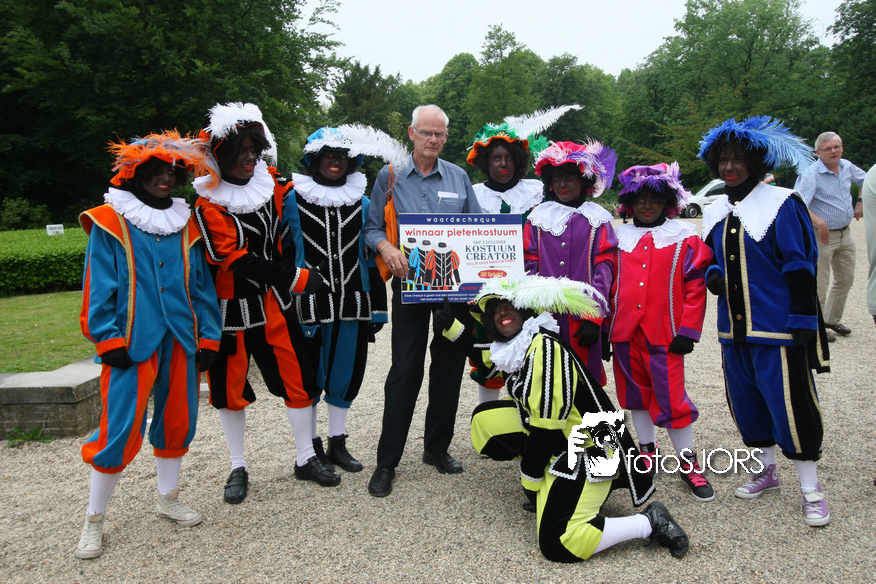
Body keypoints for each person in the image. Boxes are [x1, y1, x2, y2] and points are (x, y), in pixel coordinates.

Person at [437, 275, 689, 562]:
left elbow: (545, 429)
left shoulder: (544, 349)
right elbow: (485, 359)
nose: (502, 313)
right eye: (495, 310)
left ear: (525, 310)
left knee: (558, 542)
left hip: (593, 450)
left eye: (509, 306)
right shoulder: (519, 343)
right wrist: (450, 325)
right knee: (486, 420)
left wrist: (530, 480)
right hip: (564, 441)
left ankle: (649, 522)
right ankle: (551, 477)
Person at [75, 131, 222, 559]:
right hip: (130, 342)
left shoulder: (185, 222)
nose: (164, 179)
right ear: (135, 174)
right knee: (119, 428)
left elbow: (202, 287)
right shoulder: (110, 220)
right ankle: (94, 519)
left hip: (180, 339)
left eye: (171, 172)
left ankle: (168, 498)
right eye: (156, 171)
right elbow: (97, 285)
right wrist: (106, 338)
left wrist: (208, 335)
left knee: (177, 420)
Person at [193, 102, 335, 503]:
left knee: (299, 378)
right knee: (228, 388)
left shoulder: (271, 184)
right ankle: (237, 466)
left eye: (254, 150)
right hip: (231, 308)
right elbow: (234, 258)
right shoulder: (208, 204)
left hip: (275, 303)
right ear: (219, 156)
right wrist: (297, 278)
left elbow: (305, 204)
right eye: (240, 152)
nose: (250, 158)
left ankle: (306, 457)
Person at [698, 115, 831, 527]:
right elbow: (708, 258)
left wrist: (804, 319)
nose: (729, 167)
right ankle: (766, 471)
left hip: (778, 328)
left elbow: (800, 264)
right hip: (733, 330)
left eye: (737, 159)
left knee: (791, 406)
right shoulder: (717, 210)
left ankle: (811, 489)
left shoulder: (782, 203)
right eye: (722, 159)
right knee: (748, 404)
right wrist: (711, 273)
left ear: (755, 163)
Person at [363, 104, 482, 497]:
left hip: (453, 290)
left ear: (446, 137)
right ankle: (387, 461)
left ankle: (436, 448)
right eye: (427, 132)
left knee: (448, 365)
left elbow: (478, 228)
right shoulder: (390, 175)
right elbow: (371, 228)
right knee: (405, 368)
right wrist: (385, 247)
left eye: (440, 134)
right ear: (411, 133)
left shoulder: (459, 177)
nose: (433, 139)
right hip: (410, 284)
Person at [284, 125, 406, 472]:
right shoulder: (291, 200)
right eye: (328, 155)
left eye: (342, 155)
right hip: (307, 304)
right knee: (308, 377)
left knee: (346, 374)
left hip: (353, 303)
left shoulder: (363, 203)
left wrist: (377, 311)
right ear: (314, 159)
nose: (335, 161)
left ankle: (337, 443)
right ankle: (309, 450)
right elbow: (283, 252)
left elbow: (370, 258)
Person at [609, 162, 714, 501]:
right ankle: (647, 453)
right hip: (625, 333)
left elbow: (696, 286)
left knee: (672, 399)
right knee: (635, 396)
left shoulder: (684, 236)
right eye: (640, 199)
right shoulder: (618, 237)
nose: (647, 205)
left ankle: (688, 463)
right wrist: (605, 328)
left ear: (667, 201)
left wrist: (689, 330)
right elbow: (607, 283)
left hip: (665, 334)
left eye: (655, 199)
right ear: (629, 203)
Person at [465, 106, 579, 404]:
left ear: (518, 160)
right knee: (488, 357)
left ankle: (528, 416)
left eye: (509, 157)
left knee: (533, 352)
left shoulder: (538, 192)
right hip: (486, 288)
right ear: (485, 162)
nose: (503, 163)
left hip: (530, 286)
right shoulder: (472, 195)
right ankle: (489, 419)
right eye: (496, 157)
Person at [523, 140, 617, 385]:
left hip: (582, 317)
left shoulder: (598, 220)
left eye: (569, 178)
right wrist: (532, 310)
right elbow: (529, 264)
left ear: (584, 180)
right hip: (545, 315)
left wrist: (593, 316)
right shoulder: (537, 218)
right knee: (546, 380)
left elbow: (604, 270)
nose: (562, 184)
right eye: (556, 178)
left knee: (584, 382)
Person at [794, 132, 867, 342]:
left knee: (845, 279)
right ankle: (815, 327)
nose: (834, 151)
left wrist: (860, 200)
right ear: (818, 153)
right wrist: (819, 221)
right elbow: (798, 203)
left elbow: (867, 180)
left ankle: (831, 320)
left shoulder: (847, 166)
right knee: (820, 283)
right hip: (822, 237)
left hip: (845, 233)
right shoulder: (811, 174)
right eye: (828, 149)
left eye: (837, 146)